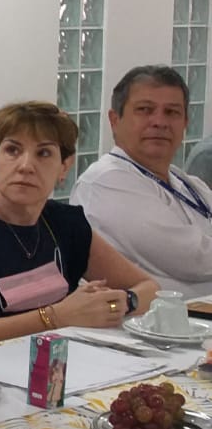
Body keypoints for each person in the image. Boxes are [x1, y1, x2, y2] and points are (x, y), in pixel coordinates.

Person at [0, 101, 159, 343]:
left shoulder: (66, 223)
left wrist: (122, 302)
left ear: (64, 166)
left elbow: (150, 289)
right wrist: (57, 317)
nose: (26, 166)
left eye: (43, 153)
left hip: (57, 361)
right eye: (12, 150)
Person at [71, 66, 212, 293]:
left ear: (185, 122)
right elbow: (193, 258)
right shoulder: (105, 181)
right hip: (149, 315)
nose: (159, 122)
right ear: (114, 120)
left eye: (172, 112)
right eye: (145, 110)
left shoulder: (187, 182)